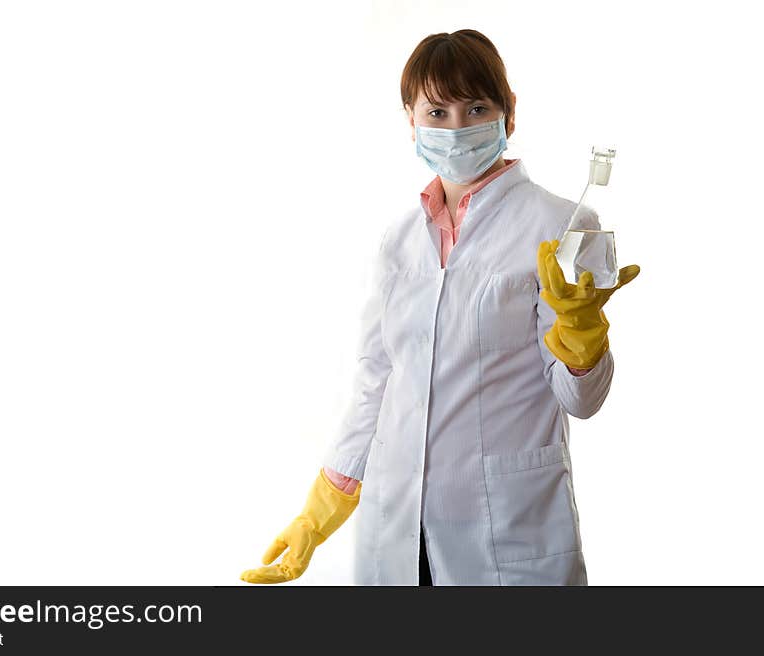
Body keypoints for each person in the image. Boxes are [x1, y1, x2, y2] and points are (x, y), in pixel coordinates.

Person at [240, 29, 640, 586]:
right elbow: (375, 384)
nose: (457, 127)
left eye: (476, 107)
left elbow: (582, 402)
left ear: (509, 113)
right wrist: (321, 509)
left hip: (506, 533)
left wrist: (584, 347)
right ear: (410, 119)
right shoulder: (399, 239)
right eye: (437, 110)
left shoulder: (565, 227)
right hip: (397, 529)